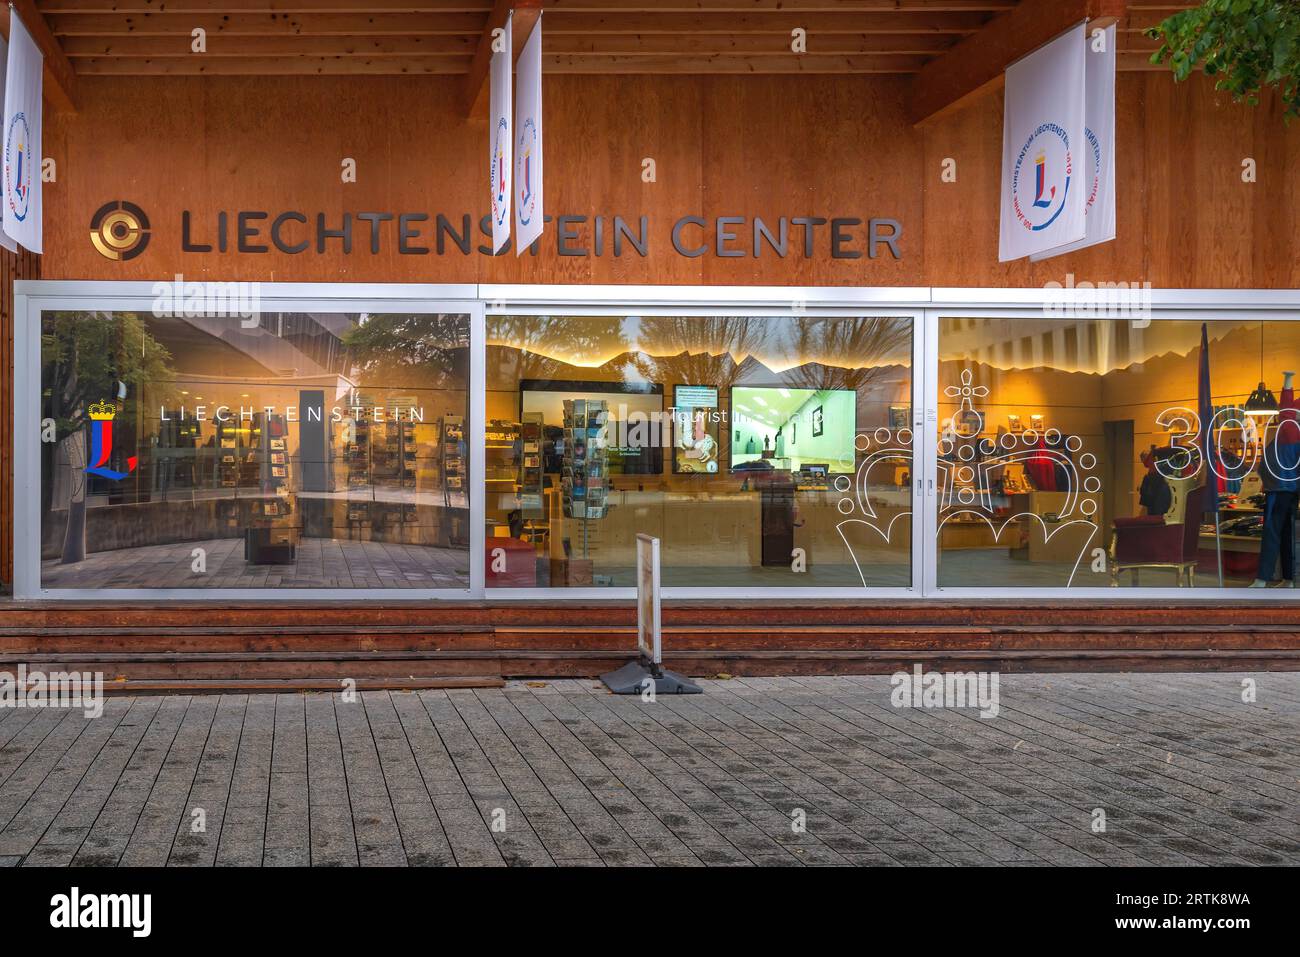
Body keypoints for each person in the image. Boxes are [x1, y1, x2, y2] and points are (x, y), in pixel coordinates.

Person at [1252, 371, 1300, 587]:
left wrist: (1287, 381)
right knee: (1287, 534)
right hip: (1290, 488)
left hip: (1280, 487)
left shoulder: (1289, 429)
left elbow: (1287, 406)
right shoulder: (1289, 433)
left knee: (1272, 532)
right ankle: (1289, 578)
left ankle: (1263, 578)